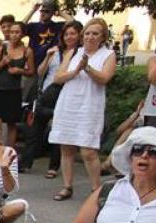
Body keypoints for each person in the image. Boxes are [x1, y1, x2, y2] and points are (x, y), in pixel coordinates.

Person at [49, 18, 116, 201]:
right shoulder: (73, 52)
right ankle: (67, 186)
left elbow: (104, 78)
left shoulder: (108, 54)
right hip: (69, 103)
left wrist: (88, 68)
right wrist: (77, 70)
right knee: (66, 147)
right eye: (87, 33)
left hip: (90, 104)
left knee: (88, 150)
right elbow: (58, 77)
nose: (90, 37)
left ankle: (96, 190)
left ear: (102, 37)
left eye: (95, 33)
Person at [21, 21, 80, 178]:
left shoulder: (80, 54)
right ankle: (26, 162)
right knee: (35, 127)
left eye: (73, 33)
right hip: (48, 92)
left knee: (57, 129)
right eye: (66, 34)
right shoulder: (55, 51)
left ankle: (53, 166)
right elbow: (40, 72)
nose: (69, 37)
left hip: (66, 94)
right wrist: (47, 57)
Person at [0, 21, 34, 147]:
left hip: (14, 91)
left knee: (12, 123)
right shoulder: (2, 49)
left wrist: (20, 70)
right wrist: (2, 63)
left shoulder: (27, 51)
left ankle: (9, 152)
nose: (14, 35)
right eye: (12, 32)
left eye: (17, 32)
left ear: (23, 34)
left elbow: (32, 71)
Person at [22, 0, 73, 101]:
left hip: (49, 68)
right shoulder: (34, 26)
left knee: (44, 98)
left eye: (47, 11)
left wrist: (60, 12)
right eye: (42, 11)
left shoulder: (57, 26)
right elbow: (20, 27)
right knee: (26, 97)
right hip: (33, 67)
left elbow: (73, 23)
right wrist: (32, 11)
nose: (43, 13)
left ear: (52, 13)